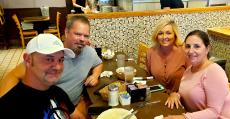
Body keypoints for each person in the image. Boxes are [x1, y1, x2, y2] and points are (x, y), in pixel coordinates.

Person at [0, 16, 103, 119]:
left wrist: (95, 75)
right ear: (66, 32)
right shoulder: (49, 53)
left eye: (86, 36)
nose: (82, 39)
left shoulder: (89, 53)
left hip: (67, 108)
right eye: (78, 34)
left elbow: (98, 63)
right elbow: (13, 75)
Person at [0, 34, 76, 118]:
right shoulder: (10, 107)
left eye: (61, 60)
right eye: (49, 59)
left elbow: (76, 115)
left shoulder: (58, 93)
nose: (58, 67)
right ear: (28, 60)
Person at [164, 30, 230, 119]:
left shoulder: (214, 72)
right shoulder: (189, 69)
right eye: (187, 46)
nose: (191, 51)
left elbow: (214, 112)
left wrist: (182, 118)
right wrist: (175, 95)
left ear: (208, 49)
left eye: (197, 46)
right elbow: (189, 92)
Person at [146, 17, 189, 95]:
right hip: (158, 96)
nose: (164, 37)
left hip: (180, 98)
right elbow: (150, 78)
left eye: (168, 33)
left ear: (175, 35)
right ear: (156, 36)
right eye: (160, 33)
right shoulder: (150, 52)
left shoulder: (184, 51)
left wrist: (177, 95)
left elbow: (192, 79)